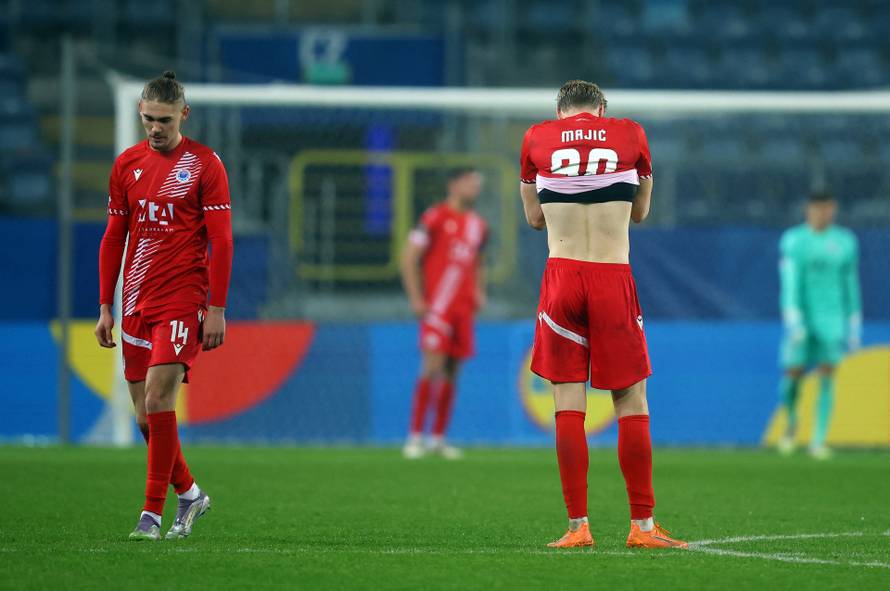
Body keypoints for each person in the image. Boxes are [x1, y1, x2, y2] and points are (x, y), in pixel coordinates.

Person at [519, 80, 686, 549]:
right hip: (612, 276)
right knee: (631, 401)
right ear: (602, 108)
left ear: (559, 110)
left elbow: (533, 219)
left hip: (562, 276)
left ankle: (578, 528)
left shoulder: (536, 137)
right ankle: (643, 528)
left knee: (568, 402)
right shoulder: (631, 133)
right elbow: (641, 212)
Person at [94, 71, 234, 541]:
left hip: (182, 298)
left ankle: (151, 516)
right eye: (148, 118)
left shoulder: (204, 165)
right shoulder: (126, 165)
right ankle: (191, 494)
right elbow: (114, 237)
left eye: (164, 120)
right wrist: (104, 306)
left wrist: (216, 308)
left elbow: (222, 241)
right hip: (135, 299)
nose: (155, 128)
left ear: (183, 115)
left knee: (158, 398)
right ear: (140, 113)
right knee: (144, 418)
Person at [400, 167, 487, 460]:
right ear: (453, 185)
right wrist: (416, 298)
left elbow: (478, 261)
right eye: (469, 182)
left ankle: (438, 438)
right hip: (438, 306)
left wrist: (479, 290)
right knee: (431, 366)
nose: (474, 188)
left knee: (452, 371)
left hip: (462, 308)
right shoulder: (434, 216)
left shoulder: (477, 225)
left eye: (477, 184)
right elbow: (408, 258)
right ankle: (414, 437)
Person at [778, 191, 861, 460]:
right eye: (817, 208)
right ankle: (791, 422)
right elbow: (790, 280)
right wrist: (792, 317)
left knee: (827, 374)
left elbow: (850, 283)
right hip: (802, 317)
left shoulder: (845, 242)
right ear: (808, 209)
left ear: (833, 209)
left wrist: (853, 321)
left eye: (826, 208)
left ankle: (818, 440)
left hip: (832, 318)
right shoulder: (794, 240)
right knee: (792, 376)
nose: (821, 213)